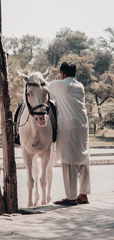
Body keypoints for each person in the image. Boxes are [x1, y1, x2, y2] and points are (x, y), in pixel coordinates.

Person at [45, 61, 91, 205]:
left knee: (69, 160)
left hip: (69, 126)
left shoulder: (62, 84)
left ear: (62, 73)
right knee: (83, 160)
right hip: (83, 125)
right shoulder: (80, 86)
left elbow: (43, 84)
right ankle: (83, 194)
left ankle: (71, 197)